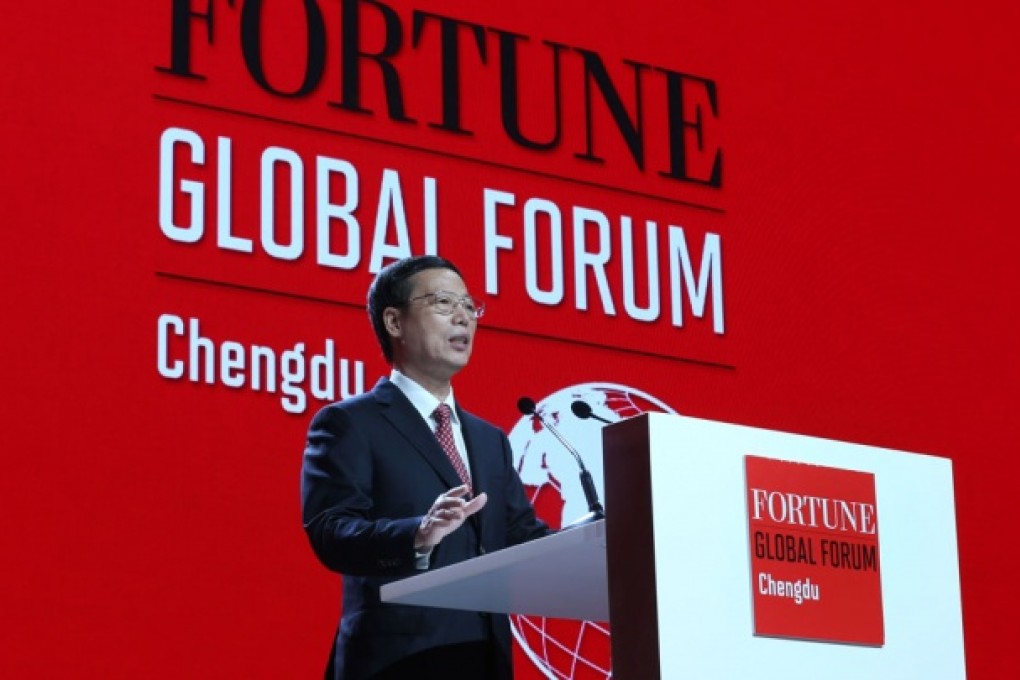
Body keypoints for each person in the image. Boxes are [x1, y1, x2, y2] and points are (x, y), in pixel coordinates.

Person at [301, 255, 550, 679]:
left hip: (483, 661)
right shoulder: (350, 423)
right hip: (396, 664)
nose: (463, 317)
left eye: (470, 306)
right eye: (442, 302)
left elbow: (523, 539)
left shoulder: (491, 440)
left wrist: (605, 541)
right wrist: (417, 533)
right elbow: (331, 531)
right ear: (395, 322)